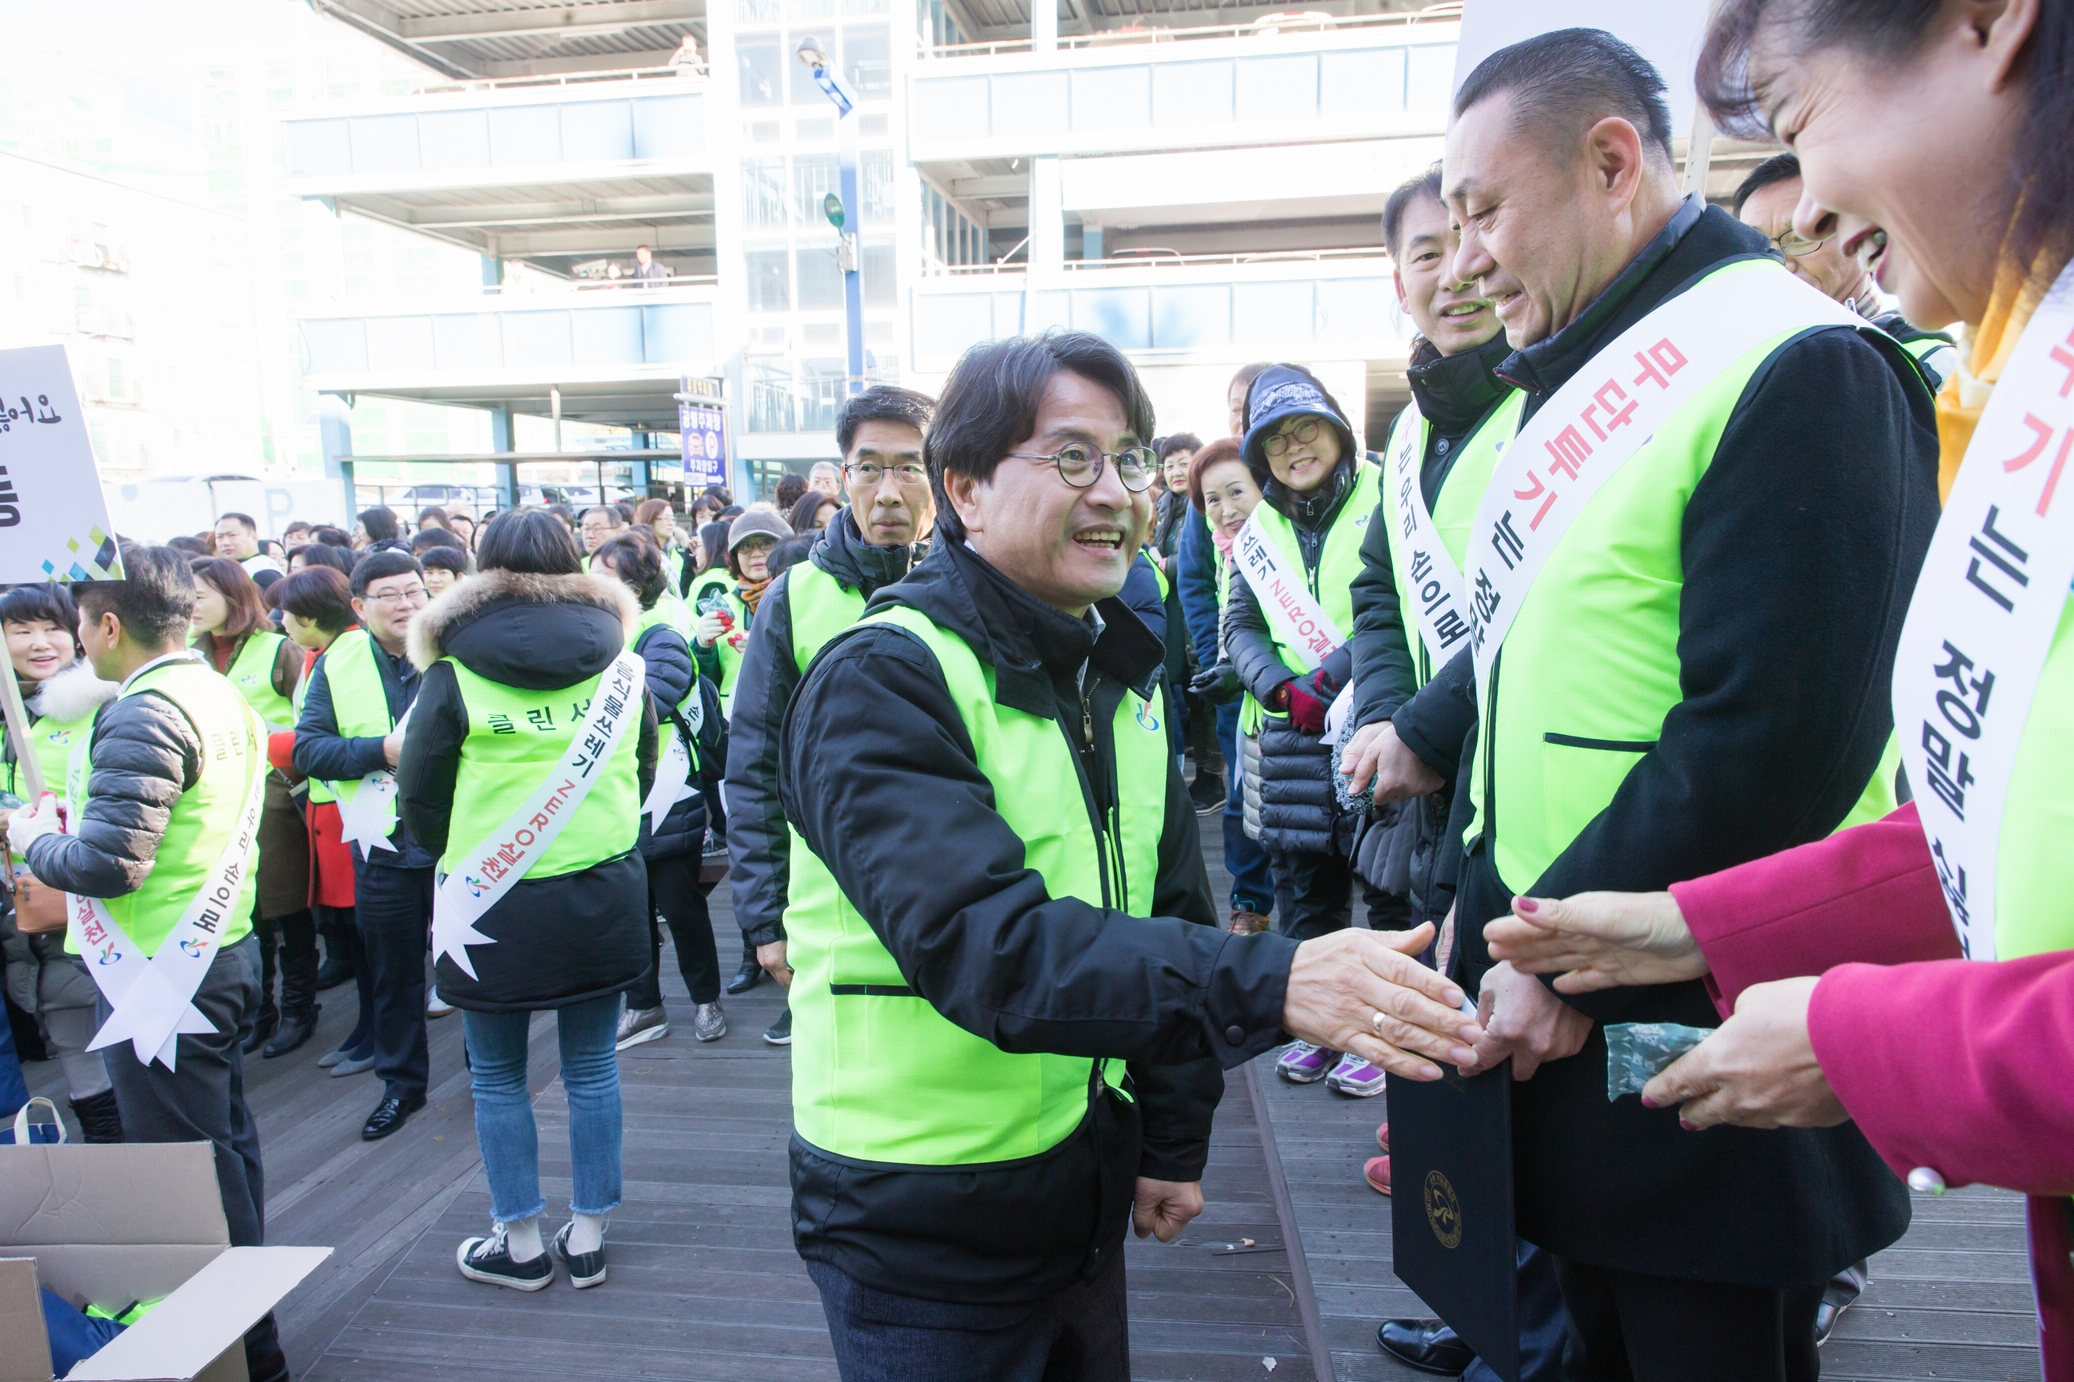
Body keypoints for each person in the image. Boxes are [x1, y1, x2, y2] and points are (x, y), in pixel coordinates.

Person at [1477, 0, 2074, 1371]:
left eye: (1801, 121)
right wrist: (1690, 923)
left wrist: (1860, 1037)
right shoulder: (2022, 376)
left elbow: (1776, 725)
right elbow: (1987, 832)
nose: (1806, 205)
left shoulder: (1809, 366)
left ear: (1985, 25)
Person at [1380, 29, 1940, 1381]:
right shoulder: (1576, 373)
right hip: (1559, 1006)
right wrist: (1473, 900)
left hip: (1699, 1031)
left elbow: (1775, 739)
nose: (1467, 261)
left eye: (1484, 212)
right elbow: (1535, 681)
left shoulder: (1795, 363)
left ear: (1612, 163)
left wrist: (1555, 958)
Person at [775, 331, 1483, 1379]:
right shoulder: (881, 677)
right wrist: (1283, 978)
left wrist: (1170, 1140)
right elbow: (991, 948)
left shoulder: (1115, 673)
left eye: (1129, 460)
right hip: (915, 1219)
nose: (1114, 491)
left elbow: (1167, 910)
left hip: (1080, 1185)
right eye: (1071, 457)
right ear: (964, 490)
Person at [1335, 165, 1569, 1381]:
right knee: (1463, 1056)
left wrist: (1421, 728)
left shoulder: (1561, 400)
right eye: (1426, 250)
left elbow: (1550, 598)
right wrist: (1387, 712)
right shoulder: (1413, 429)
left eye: (1475, 235)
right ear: (1400, 279)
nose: (1457, 268)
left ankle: (1526, 1332)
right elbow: (1378, 587)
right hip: (1445, 804)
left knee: (1533, 1074)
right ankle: (1485, 1306)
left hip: (1536, 796)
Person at [7, 547, 290, 1382]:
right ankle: (254, 1337)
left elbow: (108, 865)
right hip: (213, 953)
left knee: (190, 1178)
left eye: (75, 623)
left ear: (106, 625)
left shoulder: (144, 709)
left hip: (161, 975)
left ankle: (242, 1351)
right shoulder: (214, 689)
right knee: (222, 1156)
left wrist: (34, 838)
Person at [397, 508, 657, 1292]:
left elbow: (422, 793)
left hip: (490, 901)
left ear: (483, 571)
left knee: (496, 1076)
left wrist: (456, 856)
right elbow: (644, 767)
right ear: (574, 563)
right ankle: (590, 1236)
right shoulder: (623, 663)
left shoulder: (452, 671)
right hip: (602, 890)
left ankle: (518, 1243)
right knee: (593, 1069)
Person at [725, 384, 934, 1042]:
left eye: (910, 467)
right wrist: (765, 918)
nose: (888, 492)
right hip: (834, 922)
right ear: (845, 479)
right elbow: (754, 762)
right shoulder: (794, 597)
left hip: (966, 908)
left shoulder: (984, 582)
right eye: (869, 468)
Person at [1219, 365, 1401, 1099]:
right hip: (1291, 735)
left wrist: (1329, 680)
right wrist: (1278, 686)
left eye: (1308, 428)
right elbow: (1238, 626)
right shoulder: (1258, 529)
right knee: (1306, 892)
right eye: (1277, 439)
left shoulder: (1390, 492)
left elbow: (1395, 604)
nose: (1295, 448)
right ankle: (1327, 1026)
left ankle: (1385, 1031)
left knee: (1388, 887)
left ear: (1338, 430)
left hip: (1376, 719)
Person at [293, 549, 438, 1140]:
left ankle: (490, 1074)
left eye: (414, 590)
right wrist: (380, 751)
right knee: (392, 974)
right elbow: (308, 750)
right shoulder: (338, 660)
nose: (405, 604)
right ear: (359, 605)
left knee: (474, 967)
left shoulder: (457, 649)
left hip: (460, 842)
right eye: (389, 595)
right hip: (380, 846)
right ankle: (401, 1086)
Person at [592, 531, 726, 1050]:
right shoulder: (597, 635)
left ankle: (706, 999)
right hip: (616, 799)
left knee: (682, 907)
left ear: (637, 585)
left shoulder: (660, 634)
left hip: (667, 798)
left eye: (608, 579)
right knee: (629, 914)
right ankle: (644, 1004)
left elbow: (658, 698)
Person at [0, 584, 122, 1142]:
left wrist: (41, 821)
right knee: (66, 1023)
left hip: (91, 887)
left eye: (52, 626)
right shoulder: (9, 715)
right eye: (21, 630)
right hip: (28, 904)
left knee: (110, 1018)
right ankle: (106, 1142)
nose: (39, 642)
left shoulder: (106, 700)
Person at [189, 559, 316, 1059]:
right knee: (245, 913)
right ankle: (259, 1011)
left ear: (233, 596)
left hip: (274, 799)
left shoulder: (278, 649)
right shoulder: (188, 656)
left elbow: (310, 722)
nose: (192, 605)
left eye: (201, 594)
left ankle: (299, 1008)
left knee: (287, 907)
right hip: (218, 801)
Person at [1178, 370, 1279, 935]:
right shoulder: (1213, 503)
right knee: (1244, 797)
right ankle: (1251, 903)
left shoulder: (1291, 493)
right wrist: (1218, 657)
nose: (1244, 417)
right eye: (1237, 407)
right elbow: (1195, 582)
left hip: (1300, 680)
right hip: (1233, 679)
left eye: (1255, 406)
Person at [1732, 151, 1957, 387]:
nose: (1778, 260)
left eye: (1799, 238)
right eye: (1757, 243)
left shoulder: (1932, 366)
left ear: (1859, 235)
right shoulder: (1728, 363)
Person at [270, 567, 373, 1076]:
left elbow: (342, 735)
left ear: (310, 617)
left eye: (287, 613)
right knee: (354, 936)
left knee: (368, 935)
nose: (281, 622)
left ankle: (377, 1033)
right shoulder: (323, 653)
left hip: (350, 811)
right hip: (327, 810)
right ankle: (368, 1029)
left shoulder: (350, 654)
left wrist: (269, 743)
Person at [690, 510, 792, 715]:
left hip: (788, 718)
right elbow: (706, 683)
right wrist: (702, 646)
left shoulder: (797, 596)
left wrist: (764, 651)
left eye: (766, 543)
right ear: (734, 556)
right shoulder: (723, 606)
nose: (756, 553)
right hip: (733, 722)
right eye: (745, 546)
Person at [213, 513, 283, 588]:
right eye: (220, 537)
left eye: (232, 535)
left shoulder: (266, 573)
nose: (225, 543)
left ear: (254, 537)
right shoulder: (218, 571)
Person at [635, 498, 688, 593]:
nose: (670, 523)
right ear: (650, 519)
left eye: (672, 518)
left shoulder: (681, 548)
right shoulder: (638, 552)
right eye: (666, 518)